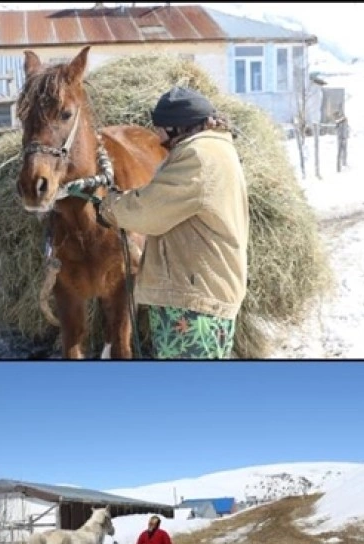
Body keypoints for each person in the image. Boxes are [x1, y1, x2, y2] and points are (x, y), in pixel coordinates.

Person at [98, 86, 250, 359]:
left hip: (194, 299)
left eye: (160, 130)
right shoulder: (215, 149)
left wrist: (108, 207)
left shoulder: (198, 157)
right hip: (197, 291)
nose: (157, 138)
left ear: (177, 127)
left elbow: (149, 211)